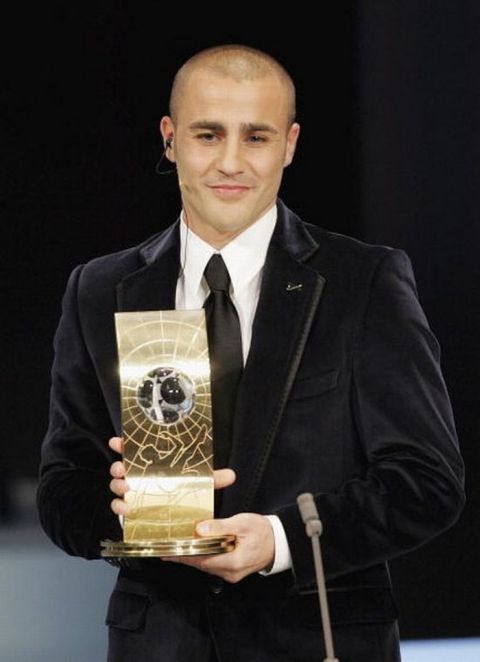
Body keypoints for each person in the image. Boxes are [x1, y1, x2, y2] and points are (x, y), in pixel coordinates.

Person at [37, 44, 465, 662]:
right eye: (208, 134)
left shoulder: (363, 282)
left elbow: (427, 484)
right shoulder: (99, 289)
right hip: (160, 642)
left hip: (318, 639)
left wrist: (281, 538)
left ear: (289, 144)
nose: (230, 162)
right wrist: (124, 514)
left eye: (256, 137)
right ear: (170, 138)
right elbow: (62, 488)